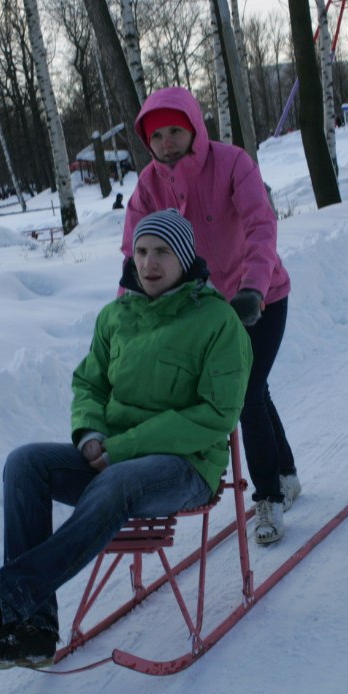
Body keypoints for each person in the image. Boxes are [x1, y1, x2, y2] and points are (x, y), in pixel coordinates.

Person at [0, 209, 251, 669]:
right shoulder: (116, 316)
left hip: (186, 467)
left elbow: (217, 414)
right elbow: (89, 384)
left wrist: (123, 447)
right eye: (143, 251)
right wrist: (90, 434)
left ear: (186, 258)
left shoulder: (217, 322)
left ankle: (1, 606)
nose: (149, 263)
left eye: (163, 253)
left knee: (117, 484)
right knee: (25, 464)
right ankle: (35, 629)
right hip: (111, 458)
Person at [122, 86, 300, 546]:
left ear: (194, 127)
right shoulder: (149, 186)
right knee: (254, 390)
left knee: (243, 393)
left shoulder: (232, 163)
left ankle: (268, 498)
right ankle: (286, 472)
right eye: (156, 136)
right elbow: (134, 253)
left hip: (261, 297)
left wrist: (253, 289)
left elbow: (261, 225)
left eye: (175, 131)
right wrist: (128, 313)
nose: (166, 143)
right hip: (205, 311)